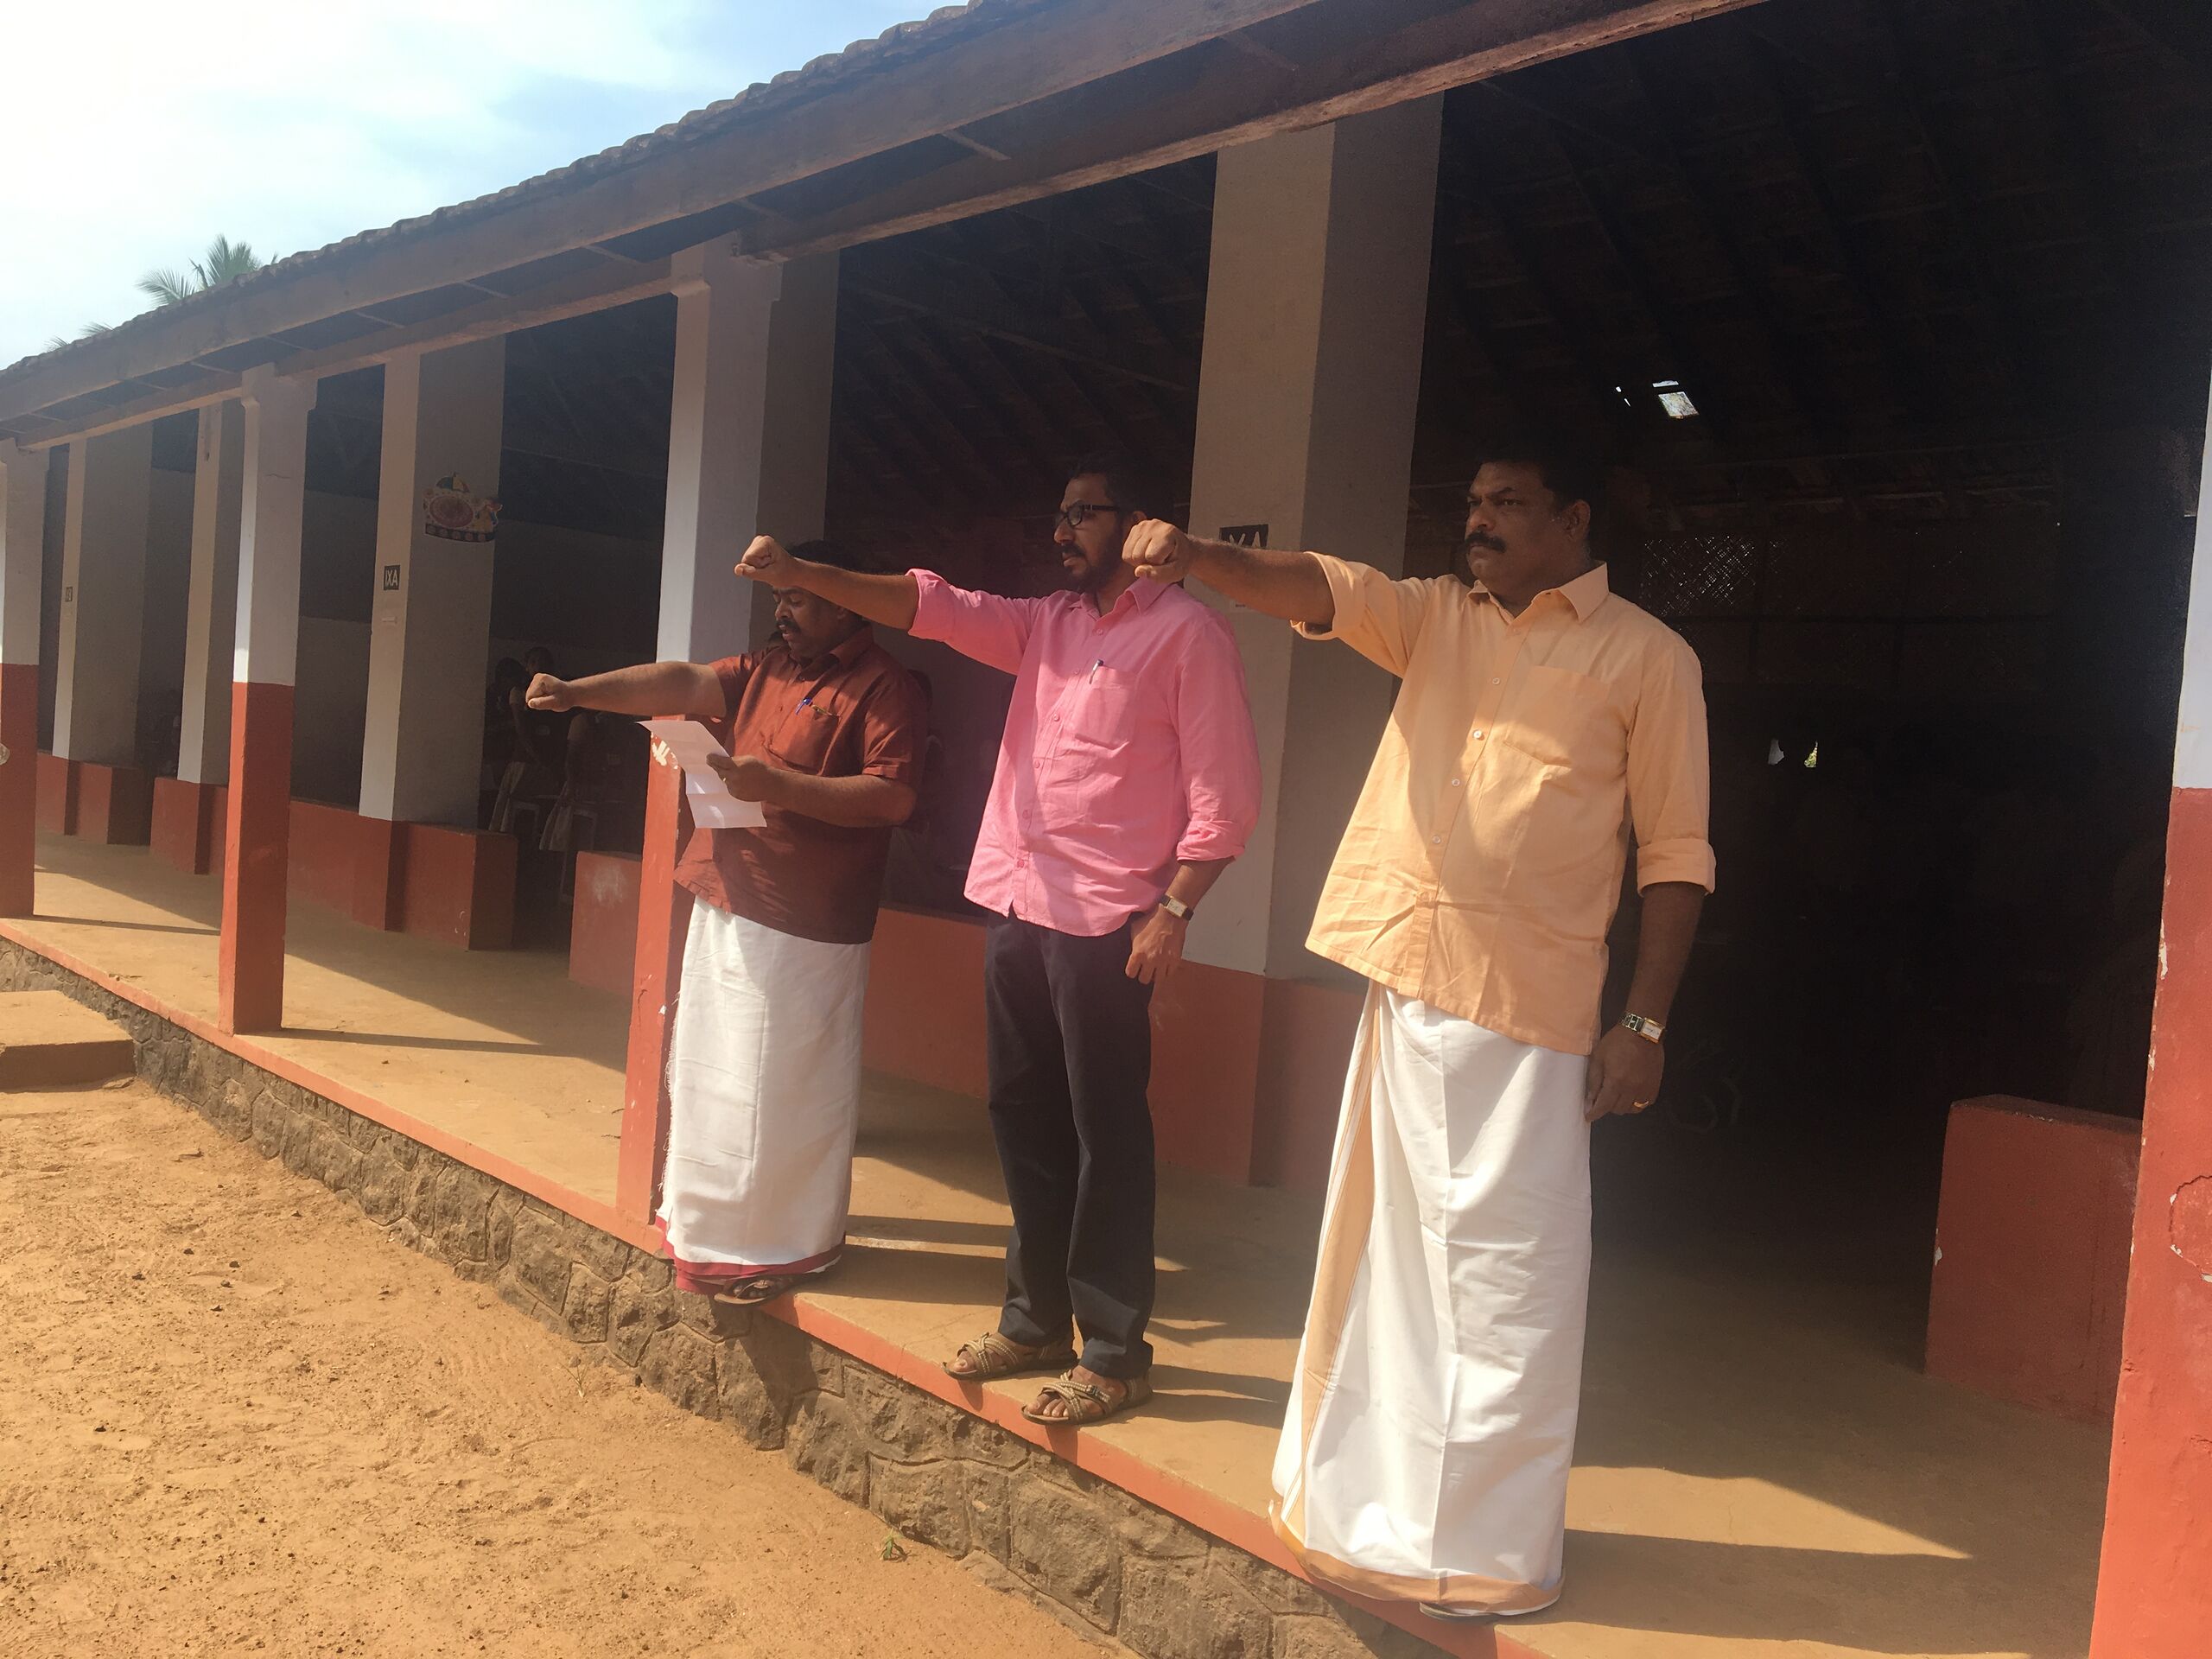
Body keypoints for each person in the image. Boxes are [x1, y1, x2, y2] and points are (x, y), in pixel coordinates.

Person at [1123, 435, 1713, 1618]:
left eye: (1509, 502)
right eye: (1474, 501)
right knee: (1383, 1259)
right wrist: (1198, 558)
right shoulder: (1438, 616)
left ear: (1574, 518)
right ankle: (1364, 1510)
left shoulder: (1651, 657)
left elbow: (1677, 856)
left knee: (1505, 1283)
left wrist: (1644, 1020)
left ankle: (1486, 1548)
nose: (1479, 521)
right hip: (1407, 983)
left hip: (1532, 1016)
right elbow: (1324, 588)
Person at [735, 454, 1262, 1427]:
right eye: (1058, 513)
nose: (1062, 531)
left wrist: (1176, 910)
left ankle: (1114, 1352)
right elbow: (927, 606)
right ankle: (1035, 1322)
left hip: (1108, 922)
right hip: (1017, 906)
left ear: (1138, 522)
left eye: (1084, 513)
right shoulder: (1044, 625)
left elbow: (1223, 797)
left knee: (1106, 1134)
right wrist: (803, 574)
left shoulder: (1189, 635)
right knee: (1022, 1119)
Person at [524, 543, 927, 1306]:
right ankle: (709, 1236)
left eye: (796, 598)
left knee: (782, 1089)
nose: (782, 613)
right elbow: (683, 682)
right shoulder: (769, 667)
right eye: (778, 600)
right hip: (724, 894)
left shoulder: (885, 687)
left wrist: (781, 786)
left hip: (807, 922)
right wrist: (578, 692)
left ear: (843, 601)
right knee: (716, 1075)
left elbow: (893, 796)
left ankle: (786, 1247)